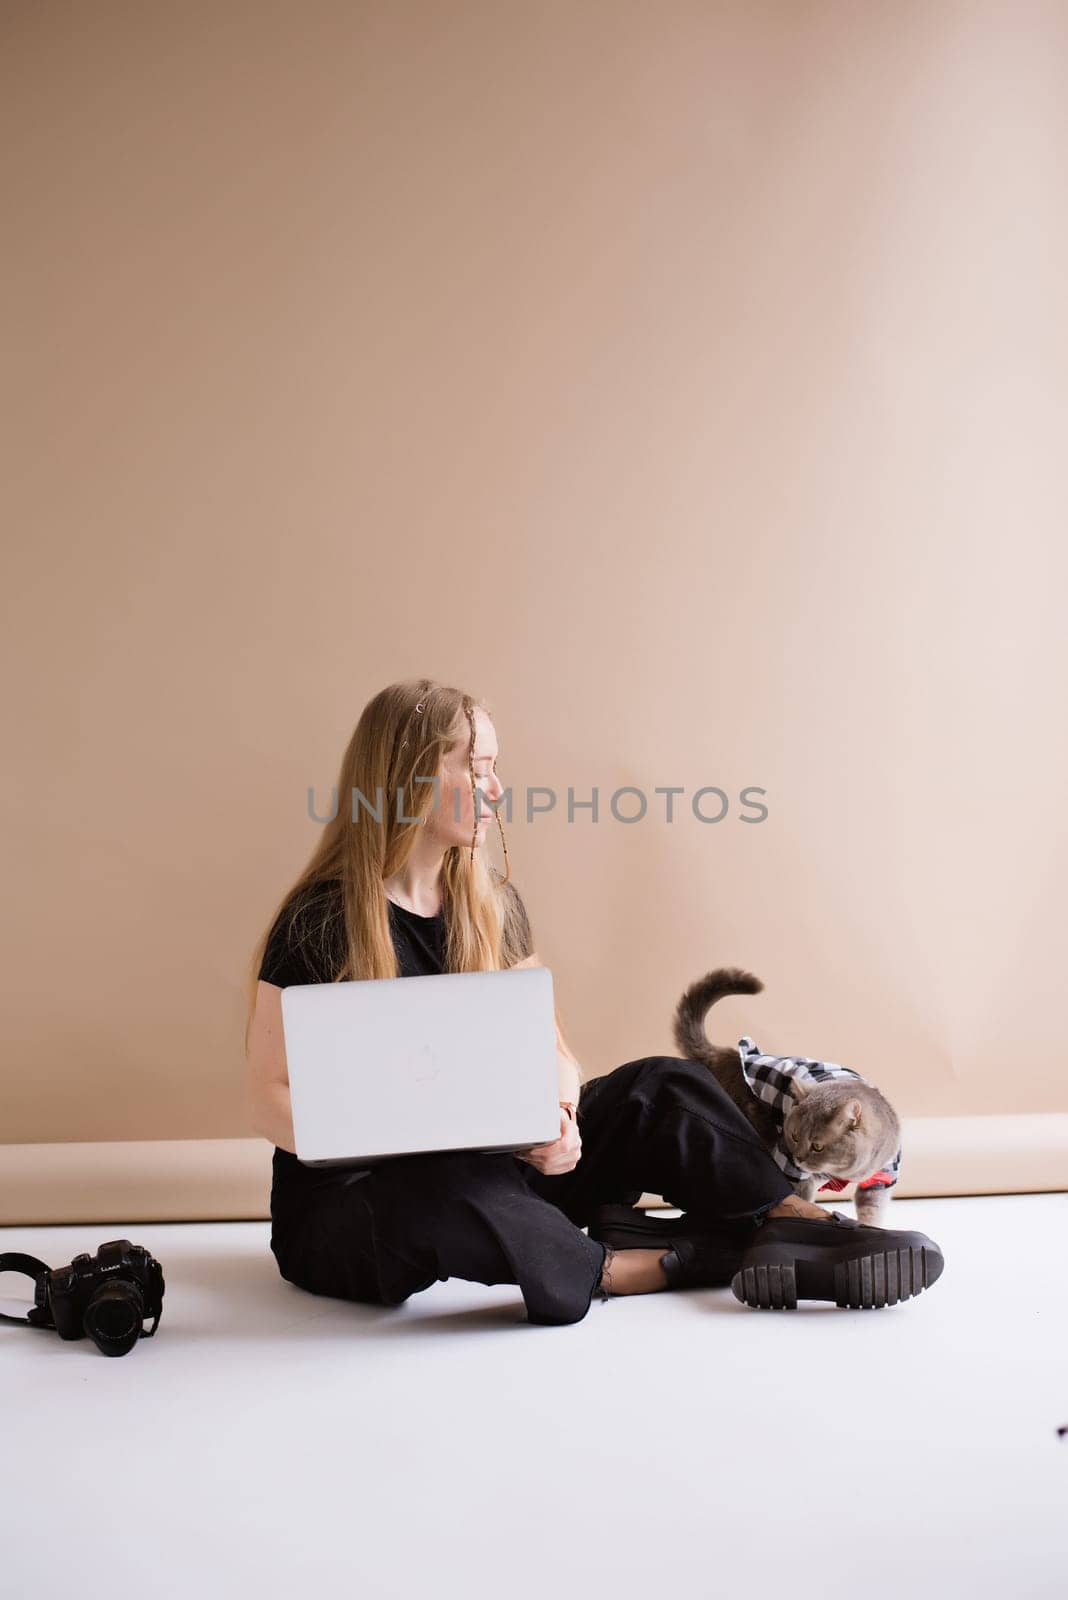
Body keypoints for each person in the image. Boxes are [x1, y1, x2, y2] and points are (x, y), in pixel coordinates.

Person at [244, 677, 944, 1325]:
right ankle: (651, 1264)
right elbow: (270, 1095)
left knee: (661, 1086)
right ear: (413, 777)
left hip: (496, 1170)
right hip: (359, 1208)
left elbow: (551, 1049)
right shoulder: (319, 923)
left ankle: (794, 1225)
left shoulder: (490, 906)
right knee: (448, 1188)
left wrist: (560, 1116)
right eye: (478, 766)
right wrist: (402, 1137)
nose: (496, 788)